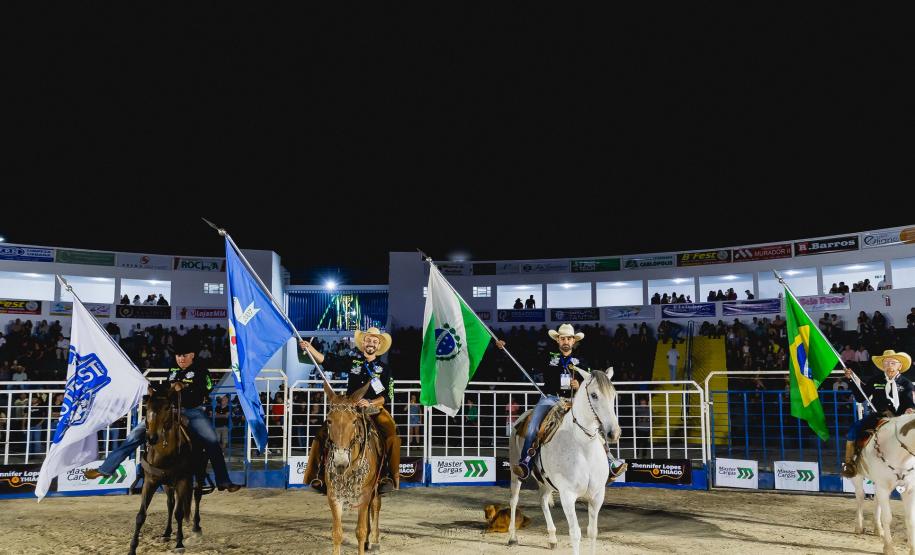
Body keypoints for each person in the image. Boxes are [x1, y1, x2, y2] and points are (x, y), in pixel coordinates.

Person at [83, 336, 242, 492]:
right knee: (134, 435)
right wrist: (151, 388)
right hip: (168, 410)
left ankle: (223, 480)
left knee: (212, 441)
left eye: (184, 355)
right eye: (178, 356)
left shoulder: (201, 370)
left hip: (191, 410)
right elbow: (166, 388)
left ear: (192, 355)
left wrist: (185, 388)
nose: (181, 359)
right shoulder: (172, 369)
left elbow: (206, 388)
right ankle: (106, 469)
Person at [496, 323, 626, 481]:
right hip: (550, 398)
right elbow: (526, 360)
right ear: (557, 340)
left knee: (594, 425)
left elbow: (590, 382)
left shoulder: (582, 360)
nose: (566, 341)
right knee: (534, 425)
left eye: (569, 339)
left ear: (573, 341)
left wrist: (579, 384)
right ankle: (526, 463)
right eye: (562, 338)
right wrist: (506, 347)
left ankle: (610, 461)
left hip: (574, 400)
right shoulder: (547, 356)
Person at [299, 327, 401, 494]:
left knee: (392, 435)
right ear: (363, 343)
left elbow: (388, 395)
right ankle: (316, 475)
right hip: (349, 409)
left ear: (378, 346)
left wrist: (370, 402)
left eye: (375, 341)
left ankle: (389, 476)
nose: (371, 343)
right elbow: (328, 362)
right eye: (368, 340)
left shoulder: (385, 368)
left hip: (374, 409)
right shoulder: (353, 362)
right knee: (322, 433)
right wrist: (310, 349)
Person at [842, 350, 914, 477]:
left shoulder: (906, 383)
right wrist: (851, 381)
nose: (889, 366)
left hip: (899, 419)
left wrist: (910, 409)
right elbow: (860, 397)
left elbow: (909, 402)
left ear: (900, 366)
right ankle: (849, 464)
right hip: (878, 417)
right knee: (853, 430)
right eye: (886, 363)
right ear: (882, 366)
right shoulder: (875, 380)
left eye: (893, 363)